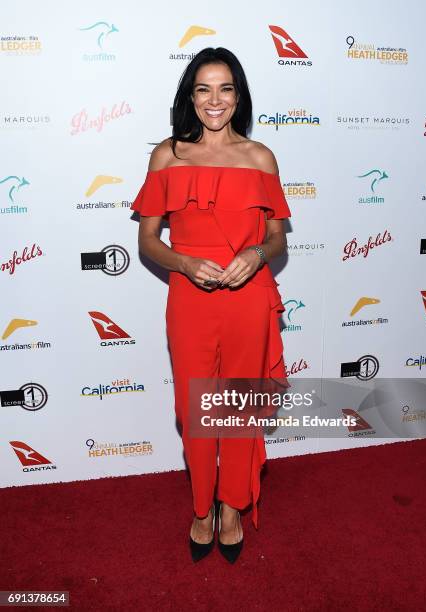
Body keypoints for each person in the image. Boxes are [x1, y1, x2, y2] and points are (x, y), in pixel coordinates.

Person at [131, 47, 291, 563]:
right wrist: (183, 263)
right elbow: (149, 242)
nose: (214, 100)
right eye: (203, 89)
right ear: (190, 96)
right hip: (190, 301)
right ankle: (201, 506)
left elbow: (276, 241)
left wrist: (256, 253)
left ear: (238, 96)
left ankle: (230, 505)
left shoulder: (260, 157)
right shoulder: (167, 155)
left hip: (249, 300)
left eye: (225, 89)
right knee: (195, 409)